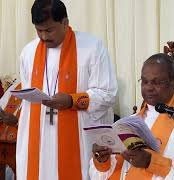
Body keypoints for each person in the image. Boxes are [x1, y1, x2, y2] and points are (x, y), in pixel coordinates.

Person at [17, 0, 118, 179]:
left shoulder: (92, 48)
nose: (43, 37)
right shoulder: (28, 52)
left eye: (49, 30)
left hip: (77, 139)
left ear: (65, 23)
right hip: (38, 139)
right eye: (38, 30)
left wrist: (72, 100)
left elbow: (107, 94)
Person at [89, 53, 174, 180]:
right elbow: (101, 174)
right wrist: (102, 160)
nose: (149, 87)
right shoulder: (126, 124)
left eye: (157, 82)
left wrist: (151, 162)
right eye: (145, 81)